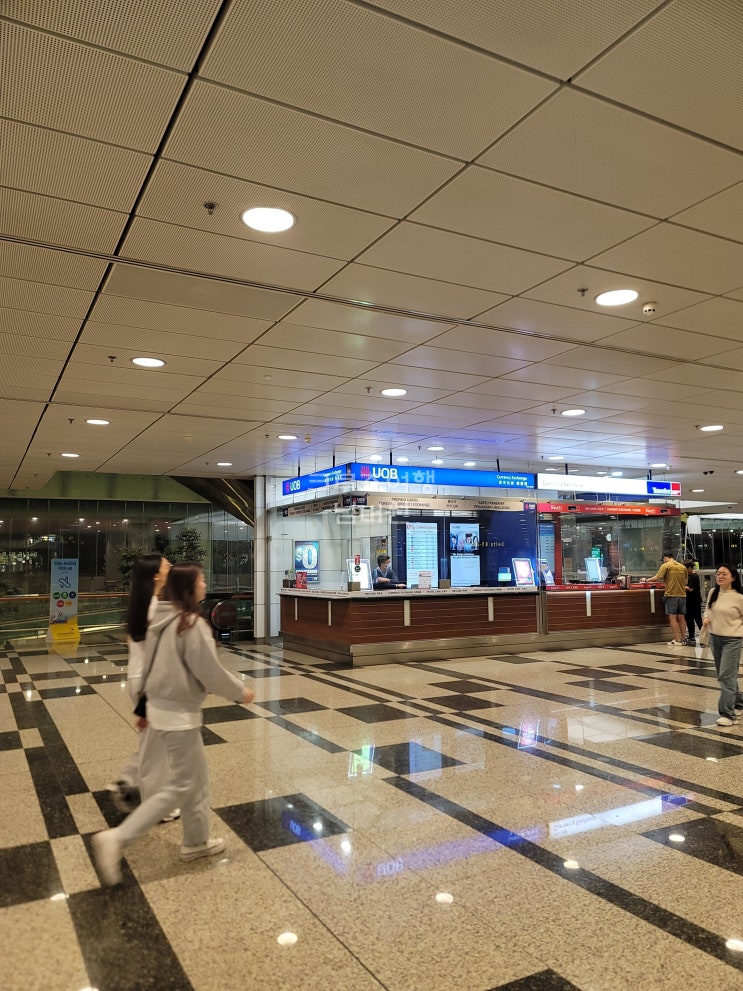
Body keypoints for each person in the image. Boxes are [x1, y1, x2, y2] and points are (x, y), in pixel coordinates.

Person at [93, 562, 255, 885]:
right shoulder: (190, 625)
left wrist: (146, 709)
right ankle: (119, 837)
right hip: (179, 717)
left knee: (196, 779)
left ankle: (196, 841)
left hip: (161, 709)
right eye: (201, 579)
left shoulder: (159, 621)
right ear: (189, 587)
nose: (205, 583)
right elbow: (210, 673)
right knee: (184, 783)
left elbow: (151, 668)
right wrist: (240, 692)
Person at [107, 553, 175, 818]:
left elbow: (131, 641)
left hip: (138, 678)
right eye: (166, 565)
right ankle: (156, 807)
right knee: (157, 748)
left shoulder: (143, 604)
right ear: (156, 575)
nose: (170, 566)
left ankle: (125, 780)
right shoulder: (154, 609)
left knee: (153, 741)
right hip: (148, 682)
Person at [701, 564, 743, 727]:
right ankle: (738, 703)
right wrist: (706, 618)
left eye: (724, 574)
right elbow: (708, 609)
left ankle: (728, 714)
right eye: (718, 574)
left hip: (732, 640)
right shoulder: (714, 592)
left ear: (733, 577)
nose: (720, 576)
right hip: (715, 638)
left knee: (726, 676)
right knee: (725, 674)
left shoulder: (739, 597)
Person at [646, 551, 688, 645]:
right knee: (681, 617)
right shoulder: (683, 567)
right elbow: (685, 582)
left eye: (663, 559)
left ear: (665, 558)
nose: (663, 561)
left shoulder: (666, 566)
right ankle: (683, 639)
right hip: (682, 595)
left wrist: (646, 580)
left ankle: (677, 640)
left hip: (671, 595)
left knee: (672, 617)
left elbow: (657, 578)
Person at [684, 559, 702, 646]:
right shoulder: (687, 576)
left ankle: (704, 635)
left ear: (690, 568)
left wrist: (680, 585)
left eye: (686, 569)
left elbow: (690, 589)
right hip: (688, 601)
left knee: (698, 619)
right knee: (689, 618)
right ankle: (691, 636)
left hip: (695, 601)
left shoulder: (694, 577)